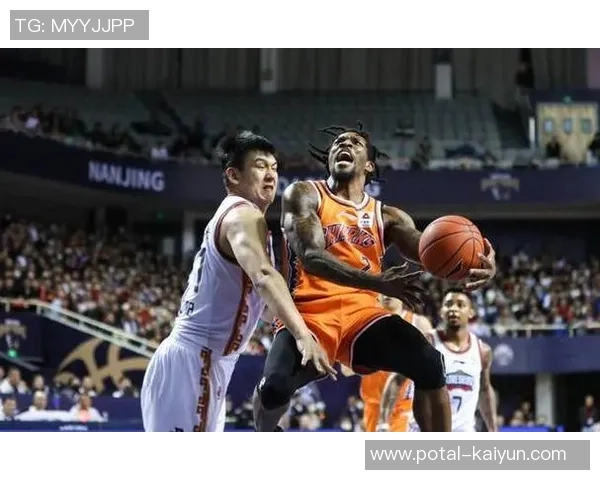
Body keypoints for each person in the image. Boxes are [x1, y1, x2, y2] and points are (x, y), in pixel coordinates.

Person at [253, 124, 497, 432]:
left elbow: (429, 252)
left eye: (354, 142)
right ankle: (264, 434)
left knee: (430, 363)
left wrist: (479, 260)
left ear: (368, 164)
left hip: (363, 317)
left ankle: (439, 452)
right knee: (274, 389)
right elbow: (311, 257)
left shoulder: (387, 216)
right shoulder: (305, 194)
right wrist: (377, 283)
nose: (344, 144)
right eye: (338, 142)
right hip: (308, 313)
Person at [140, 131, 335, 432]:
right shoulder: (243, 215)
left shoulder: (248, 222)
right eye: (260, 166)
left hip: (205, 362)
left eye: (274, 167)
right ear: (233, 175)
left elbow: (263, 307)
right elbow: (264, 277)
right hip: (196, 360)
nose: (270, 174)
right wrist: (303, 335)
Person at [341, 295, 433, 432]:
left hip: (405, 405)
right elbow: (345, 370)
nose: (387, 294)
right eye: (382, 290)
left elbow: (432, 368)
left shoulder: (419, 323)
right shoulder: (363, 323)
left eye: (391, 289)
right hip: (373, 406)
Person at [430, 289, 498, 432]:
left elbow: (485, 390)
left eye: (460, 305)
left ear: (471, 313)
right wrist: (384, 422)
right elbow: (398, 380)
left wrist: (493, 430)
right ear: (441, 311)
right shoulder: (427, 342)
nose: (453, 309)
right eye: (448, 304)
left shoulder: (482, 350)